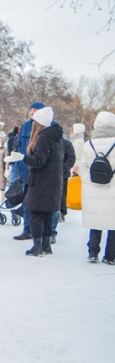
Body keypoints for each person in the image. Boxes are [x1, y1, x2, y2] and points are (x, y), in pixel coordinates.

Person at [5, 107, 63, 257]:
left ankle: (37, 247)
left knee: (35, 213)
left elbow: (39, 161)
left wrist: (22, 157)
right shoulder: (56, 137)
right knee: (47, 214)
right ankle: (46, 246)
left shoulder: (42, 138)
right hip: (53, 182)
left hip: (40, 182)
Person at [79, 111, 115, 263]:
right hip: (112, 189)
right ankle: (111, 256)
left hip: (93, 188)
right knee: (113, 222)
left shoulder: (89, 145)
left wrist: (89, 180)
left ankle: (93, 251)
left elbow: (82, 167)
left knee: (96, 220)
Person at [11, 101, 46, 240]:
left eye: (35, 110)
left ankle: (47, 232)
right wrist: (18, 164)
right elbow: (19, 146)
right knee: (27, 201)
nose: (32, 112)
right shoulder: (25, 126)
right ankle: (27, 230)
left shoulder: (48, 126)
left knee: (44, 202)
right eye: (31, 110)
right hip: (26, 170)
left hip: (42, 170)